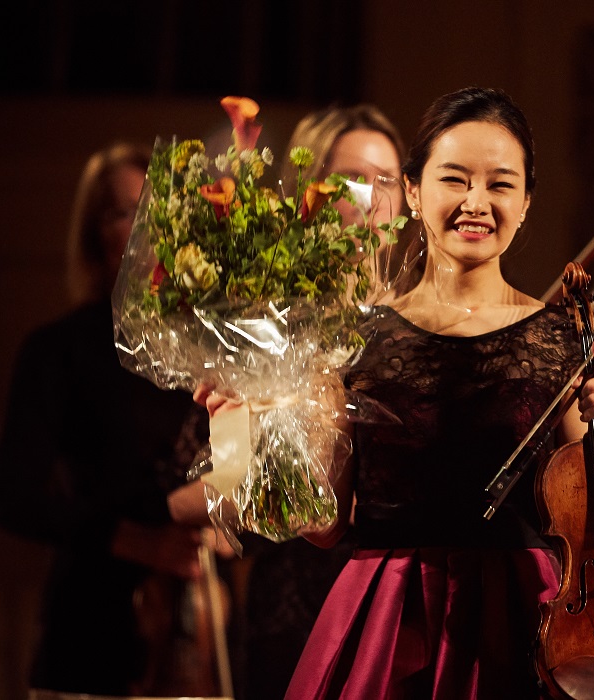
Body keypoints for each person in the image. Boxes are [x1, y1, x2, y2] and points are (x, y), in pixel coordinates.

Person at [196, 86, 594, 699]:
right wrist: (244, 434)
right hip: (392, 618)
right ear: (414, 191)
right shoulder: (354, 338)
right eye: (455, 179)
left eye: (501, 184)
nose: (476, 202)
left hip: (526, 622)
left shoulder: (564, 338)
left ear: (527, 202)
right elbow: (321, 522)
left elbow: (590, 519)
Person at [0, 141, 234, 696]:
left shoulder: (217, 344)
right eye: (127, 211)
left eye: (159, 208)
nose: (148, 225)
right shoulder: (58, 349)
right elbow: (11, 498)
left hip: (204, 629)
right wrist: (128, 537)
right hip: (91, 625)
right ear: (97, 234)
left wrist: (230, 524)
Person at [233, 104, 409, 700]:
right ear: (311, 191)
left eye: (389, 181)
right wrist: (240, 426)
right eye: (355, 178)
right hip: (294, 597)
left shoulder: (416, 322)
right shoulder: (262, 319)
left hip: (396, 599)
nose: (373, 198)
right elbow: (230, 487)